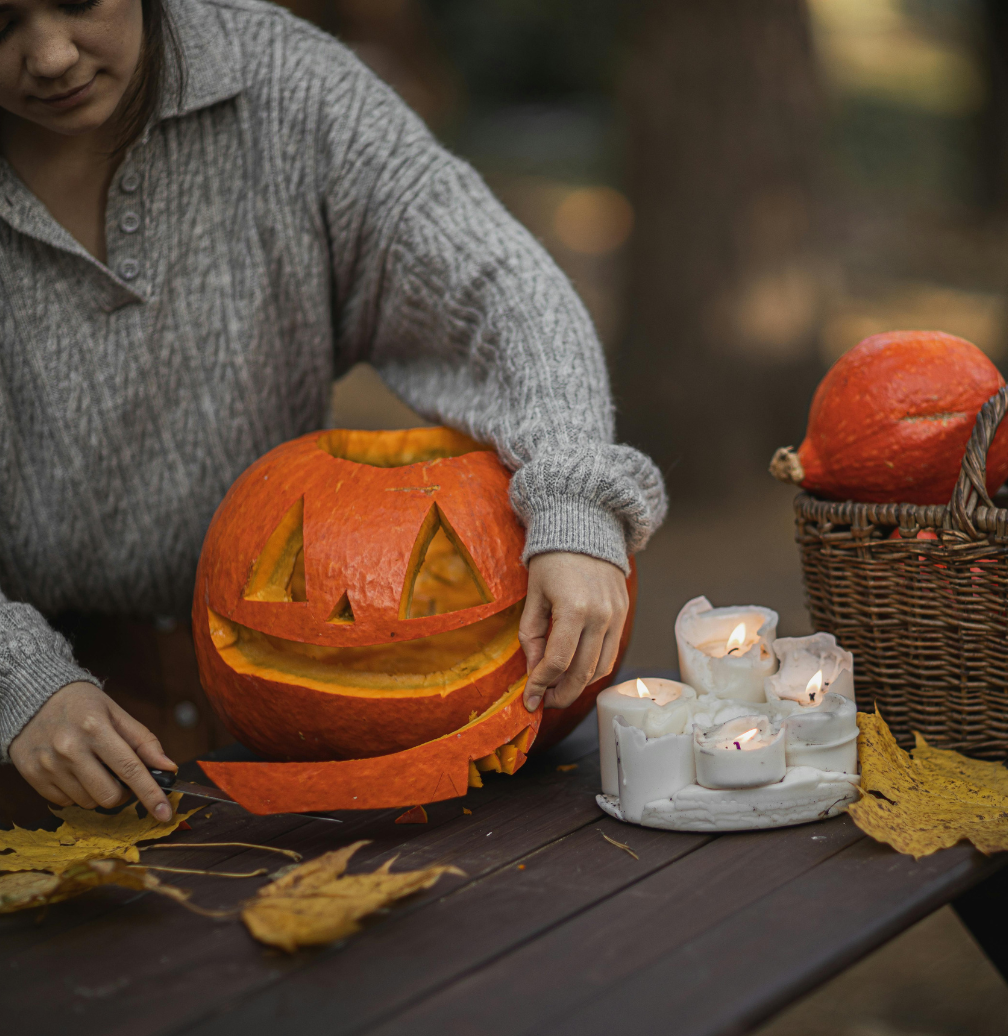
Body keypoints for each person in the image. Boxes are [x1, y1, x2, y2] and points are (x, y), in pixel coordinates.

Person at [0, 0, 666, 822]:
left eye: (76, 1)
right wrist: (14, 678)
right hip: (39, 736)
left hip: (291, 710)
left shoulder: (283, 83)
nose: (51, 55)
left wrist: (572, 490)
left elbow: (495, 281)